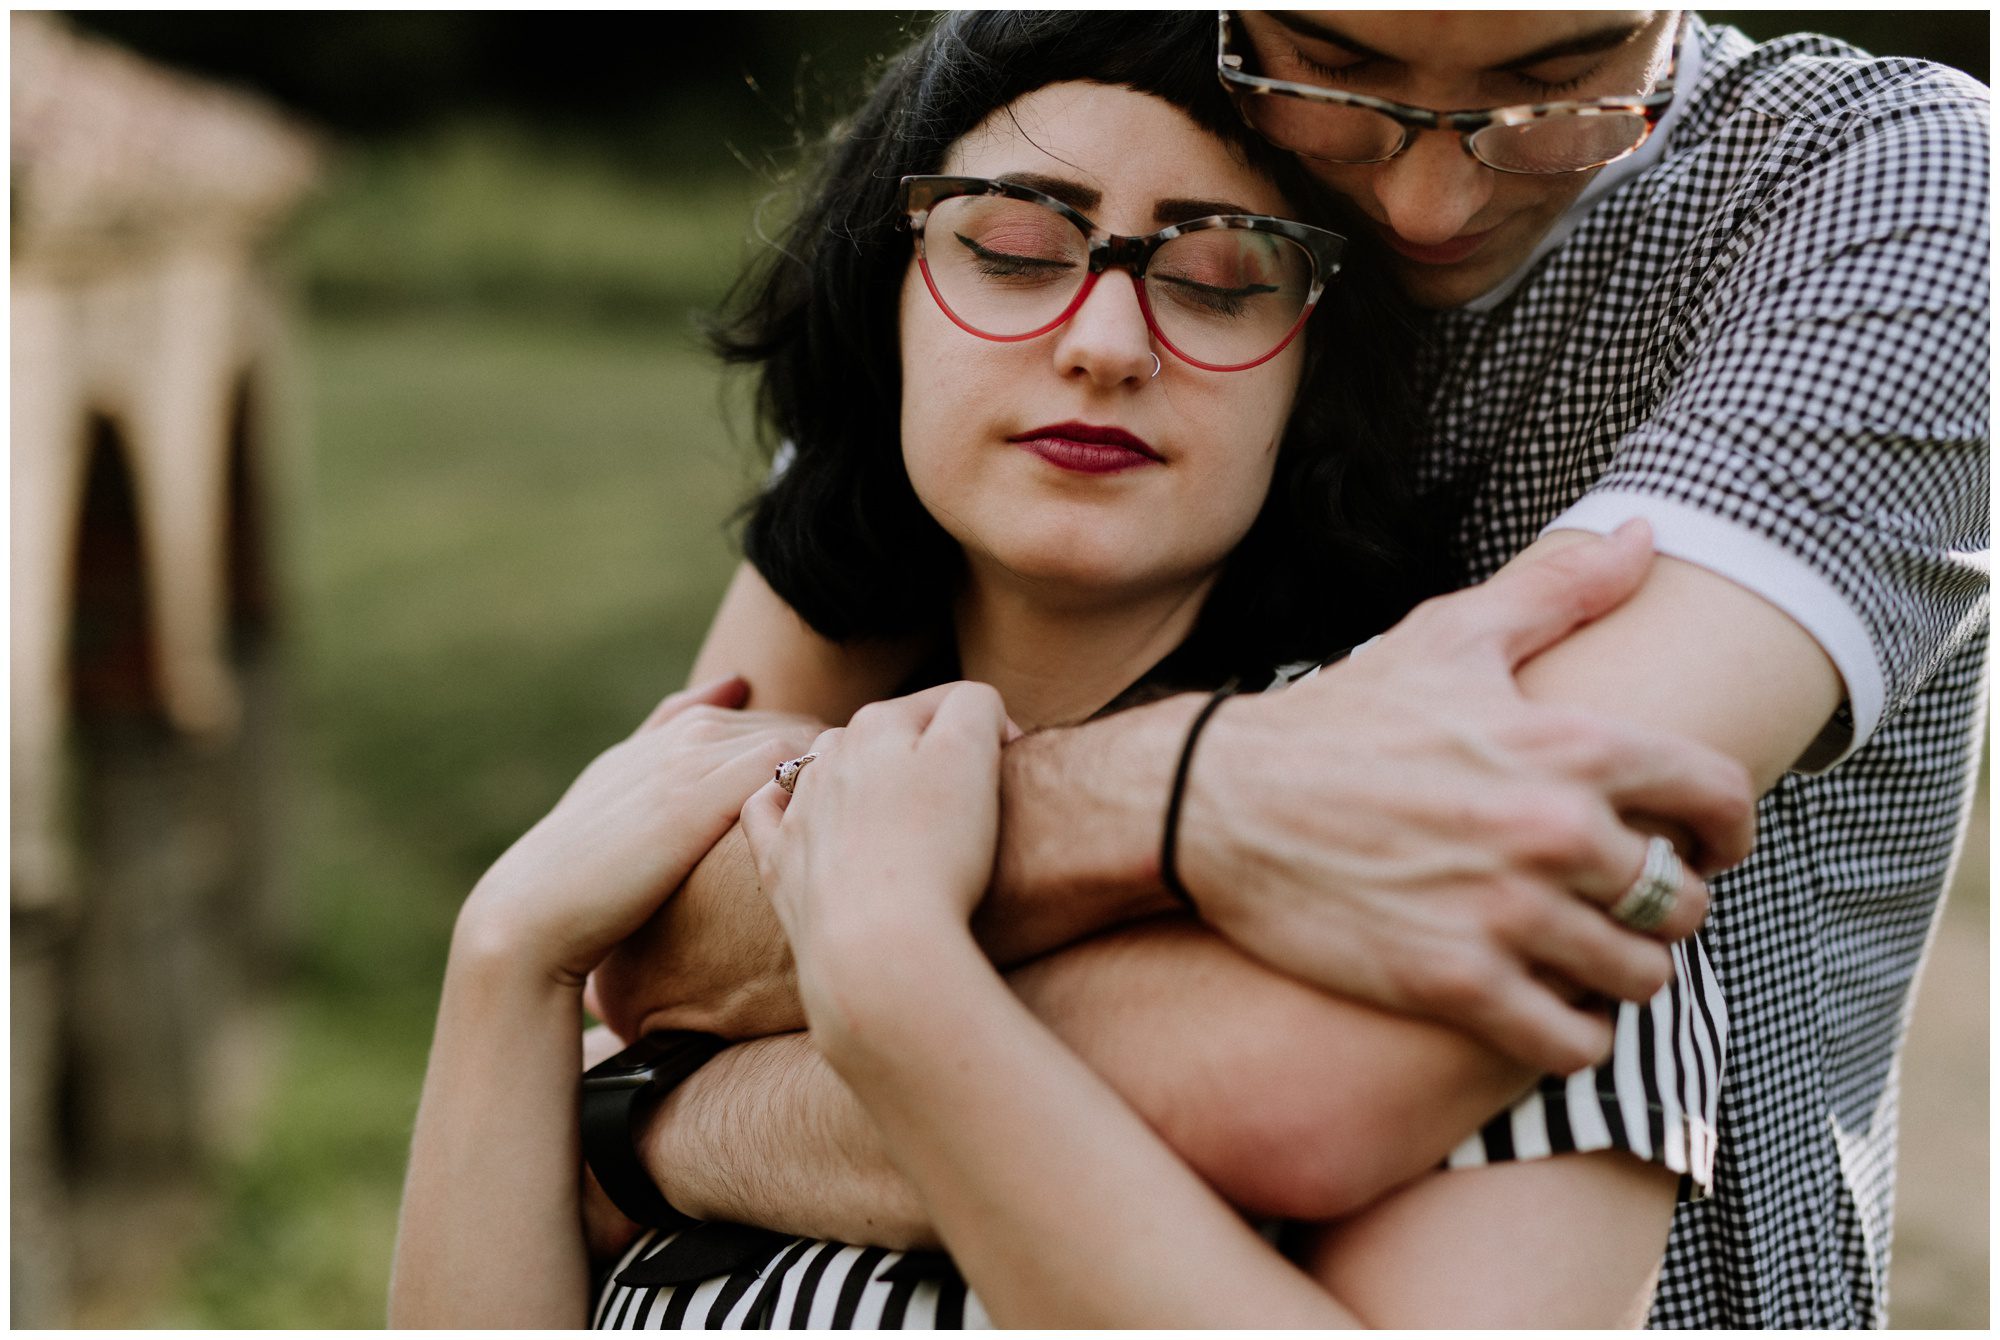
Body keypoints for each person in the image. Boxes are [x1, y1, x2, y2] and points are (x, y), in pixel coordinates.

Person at [589, 8, 1990, 1329]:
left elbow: (1345, 1042)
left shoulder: (1883, 194)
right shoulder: (1086, 117)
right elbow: (654, 913)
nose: (1426, 210)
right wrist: (1204, 797)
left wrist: (655, 1127)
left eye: (1559, 84)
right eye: (1335, 68)